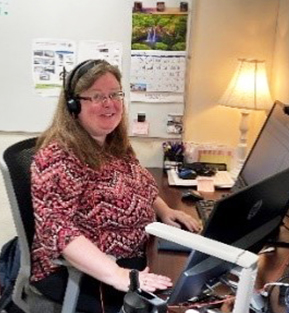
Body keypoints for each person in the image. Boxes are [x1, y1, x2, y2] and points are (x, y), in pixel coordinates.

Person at [30, 59, 200, 312]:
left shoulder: (113, 142)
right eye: (97, 96)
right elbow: (59, 231)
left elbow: (140, 182)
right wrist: (120, 276)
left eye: (114, 94)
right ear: (73, 105)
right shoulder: (58, 157)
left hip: (132, 255)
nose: (109, 103)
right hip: (89, 270)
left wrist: (165, 210)